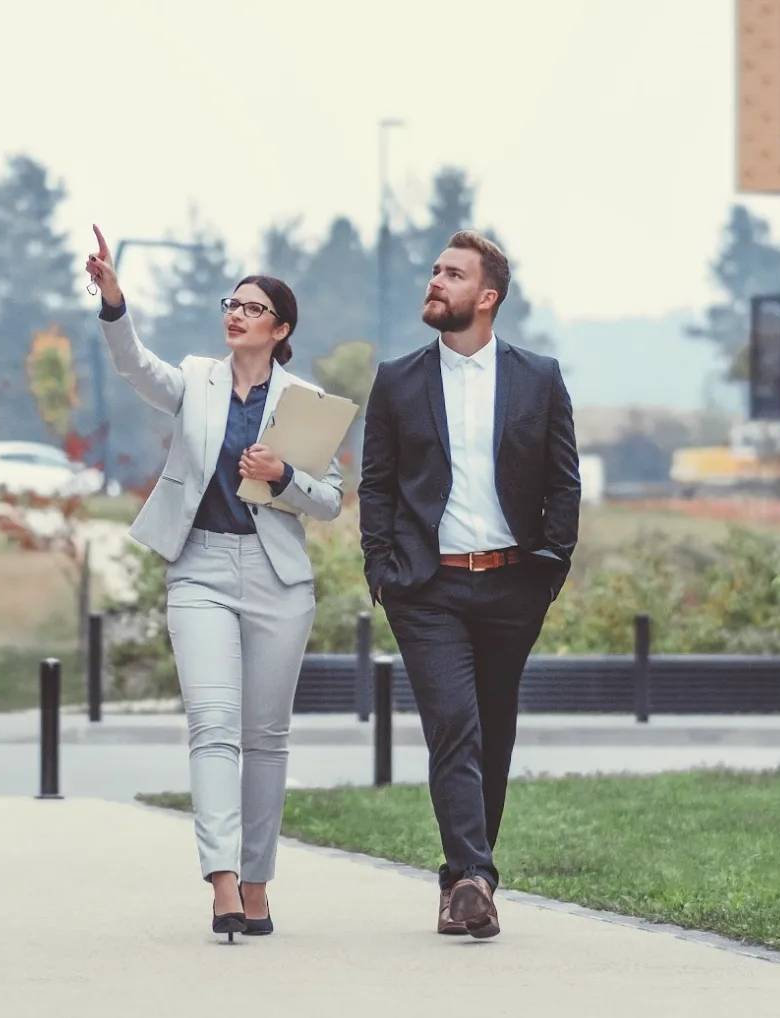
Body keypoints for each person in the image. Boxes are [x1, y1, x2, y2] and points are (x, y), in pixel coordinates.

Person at [83, 225, 345, 942]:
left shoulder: (306, 403)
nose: (236, 313)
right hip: (198, 566)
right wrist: (115, 303)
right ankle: (222, 883)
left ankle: (257, 885)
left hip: (276, 579)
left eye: (253, 308)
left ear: (280, 328)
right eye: (232, 303)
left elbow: (329, 500)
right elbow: (136, 367)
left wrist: (282, 476)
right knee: (212, 726)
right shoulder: (195, 379)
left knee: (264, 739)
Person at [357, 230, 579, 940]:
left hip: (513, 584)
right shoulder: (398, 380)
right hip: (428, 588)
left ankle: (460, 885)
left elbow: (562, 479)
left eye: (451, 274)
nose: (435, 281)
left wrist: (551, 565)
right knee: (455, 726)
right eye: (434, 271)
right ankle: (479, 878)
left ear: (486, 297)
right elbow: (378, 485)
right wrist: (383, 570)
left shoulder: (538, 377)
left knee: (494, 732)